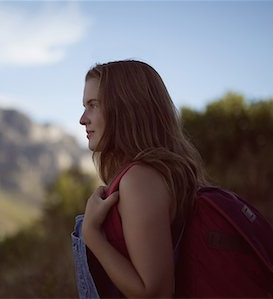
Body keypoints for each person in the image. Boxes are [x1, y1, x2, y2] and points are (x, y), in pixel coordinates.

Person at [71, 60, 208, 298]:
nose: (83, 119)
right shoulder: (150, 174)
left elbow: (154, 292)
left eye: (93, 105)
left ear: (125, 108)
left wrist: (92, 233)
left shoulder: (140, 179)